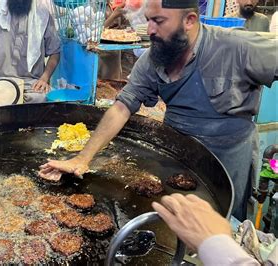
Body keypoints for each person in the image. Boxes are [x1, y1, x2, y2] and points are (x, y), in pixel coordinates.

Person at [39, 0, 278, 221]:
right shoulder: (154, 58)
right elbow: (122, 107)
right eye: (149, 19)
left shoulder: (236, 46)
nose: (149, 30)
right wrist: (82, 159)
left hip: (228, 158)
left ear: (190, 20)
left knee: (223, 223)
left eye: (159, 21)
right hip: (177, 154)